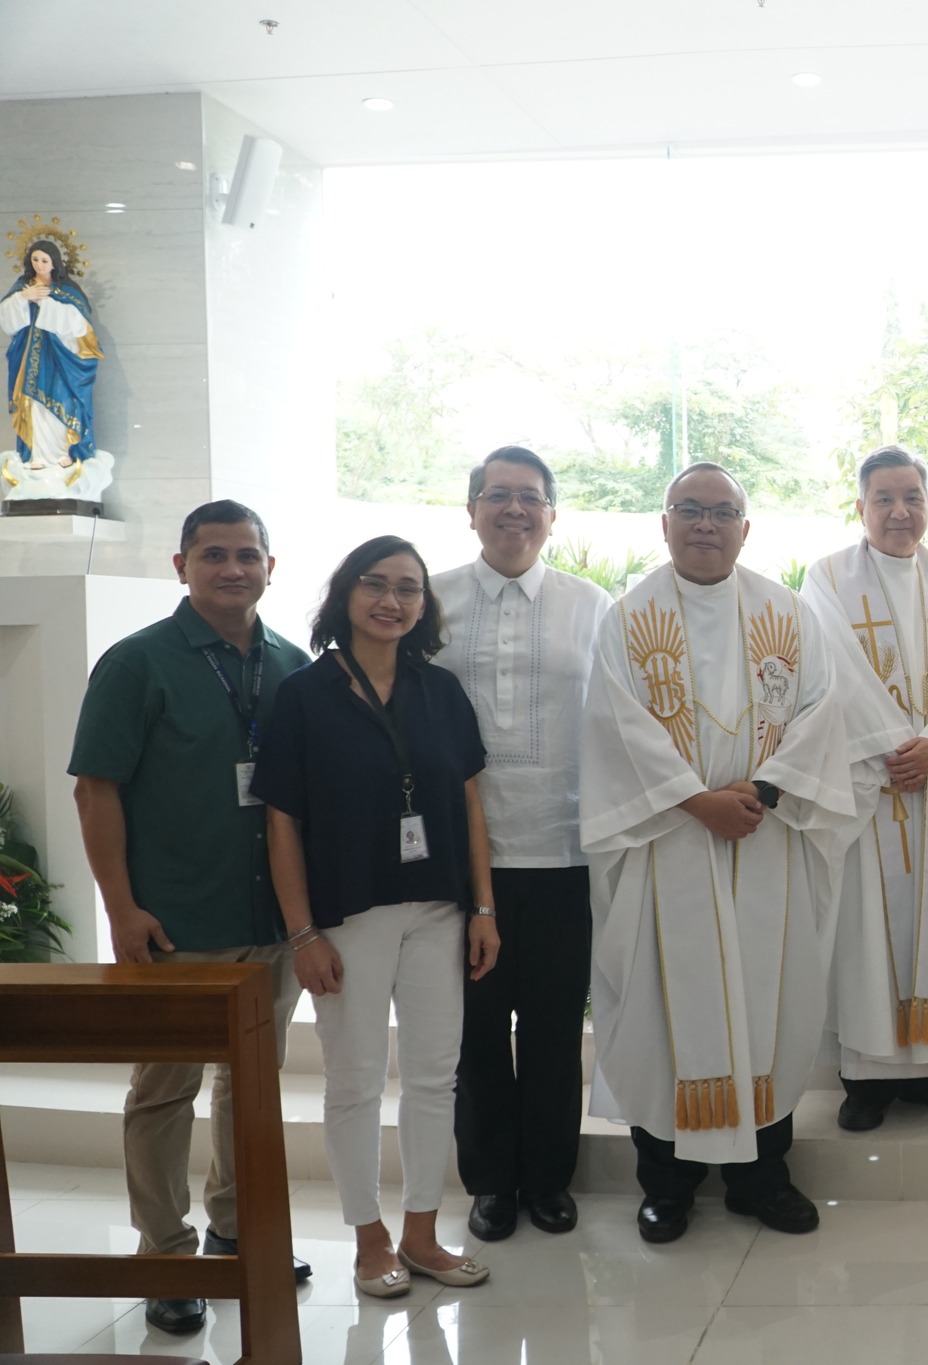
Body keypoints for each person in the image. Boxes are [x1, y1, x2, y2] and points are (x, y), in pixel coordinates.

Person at [581, 462, 860, 1242]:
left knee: (766, 1003)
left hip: (765, 842)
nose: (706, 524)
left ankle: (761, 1177)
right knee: (665, 1009)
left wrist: (765, 791)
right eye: (690, 509)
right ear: (663, 523)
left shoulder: (788, 613)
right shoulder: (627, 618)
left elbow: (819, 710)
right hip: (665, 845)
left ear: (746, 526)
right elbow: (614, 724)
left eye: (722, 511)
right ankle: (665, 1184)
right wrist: (696, 799)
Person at [68, 501, 313, 1336]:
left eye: (248, 554)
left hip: (269, 919)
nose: (233, 568)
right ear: (182, 566)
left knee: (251, 1084)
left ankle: (234, 1231)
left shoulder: (290, 663)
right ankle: (165, 1251)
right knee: (164, 1087)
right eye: (214, 555)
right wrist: (122, 907)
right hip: (176, 919)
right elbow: (95, 789)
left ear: (271, 567)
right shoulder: (138, 663)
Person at [254, 536, 501, 1299]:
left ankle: (422, 1232)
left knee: (434, 1075)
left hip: (436, 910)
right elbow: (282, 820)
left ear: (425, 606)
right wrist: (303, 932)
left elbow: (468, 802)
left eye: (409, 589)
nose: (392, 600)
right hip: (347, 916)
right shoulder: (302, 692)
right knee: (355, 1080)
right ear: (346, 594)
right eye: (376, 584)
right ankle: (368, 1239)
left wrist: (483, 907)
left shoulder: (441, 691)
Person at [431, 447, 611, 1242]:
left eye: (529, 498)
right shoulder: (428, 601)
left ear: (551, 515)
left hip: (565, 852)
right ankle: (489, 1181)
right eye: (497, 496)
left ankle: (547, 1177)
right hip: (461, 860)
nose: (514, 510)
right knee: (474, 1030)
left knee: (549, 1027)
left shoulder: (592, 605)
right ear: (470, 510)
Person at [802, 445, 928, 1132]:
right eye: (884, 498)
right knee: (868, 927)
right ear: (860, 507)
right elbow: (834, 670)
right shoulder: (825, 579)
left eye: (912, 496)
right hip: (870, 784)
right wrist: (894, 746)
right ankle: (867, 1077)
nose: (899, 511)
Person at [1, 235, 114, 501]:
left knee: (62, 403)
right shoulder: (23, 287)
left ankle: (65, 453)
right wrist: (23, 298)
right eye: (35, 260)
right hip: (28, 361)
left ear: (55, 263)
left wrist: (46, 304)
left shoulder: (67, 291)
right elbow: (6, 319)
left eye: (44, 260)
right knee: (33, 405)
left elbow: (79, 326)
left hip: (61, 363)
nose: (39, 265)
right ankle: (37, 456)